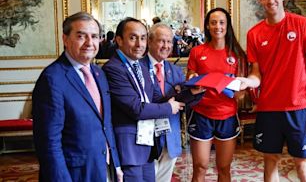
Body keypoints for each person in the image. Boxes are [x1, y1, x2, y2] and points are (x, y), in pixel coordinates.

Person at [237, 0, 306, 181]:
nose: (271, 1)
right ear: (260, 0)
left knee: (303, 165)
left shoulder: (303, 24)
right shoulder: (254, 34)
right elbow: (256, 73)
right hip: (269, 109)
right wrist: (248, 82)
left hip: (299, 108)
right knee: (270, 161)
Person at [32, 12, 123, 182]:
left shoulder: (98, 73)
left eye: (94, 36)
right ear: (65, 39)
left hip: (103, 167)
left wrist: (115, 164)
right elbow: (49, 144)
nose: (89, 43)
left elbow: (106, 124)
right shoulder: (52, 79)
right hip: (74, 174)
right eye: (81, 36)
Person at [102, 17, 185, 182]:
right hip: (129, 146)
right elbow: (136, 108)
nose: (139, 44)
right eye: (133, 38)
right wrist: (169, 108)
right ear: (119, 40)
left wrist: (189, 92)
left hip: (147, 142)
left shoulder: (140, 66)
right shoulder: (113, 69)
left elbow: (156, 99)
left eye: (143, 38)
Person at [186, 7, 247, 181]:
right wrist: (193, 79)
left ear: (227, 26)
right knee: (200, 167)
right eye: (213, 22)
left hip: (227, 115)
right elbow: (190, 77)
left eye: (221, 22)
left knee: (224, 168)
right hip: (201, 114)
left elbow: (241, 93)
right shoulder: (197, 52)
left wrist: (237, 91)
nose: (217, 26)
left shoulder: (237, 54)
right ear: (207, 26)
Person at [140, 23, 203, 181]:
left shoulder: (175, 71)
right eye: (162, 41)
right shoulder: (137, 68)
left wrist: (194, 92)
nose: (166, 46)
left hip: (170, 137)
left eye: (169, 42)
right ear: (150, 41)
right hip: (146, 140)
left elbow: (183, 102)